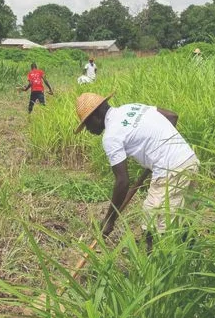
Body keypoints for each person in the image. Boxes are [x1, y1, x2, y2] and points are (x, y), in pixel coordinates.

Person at [74, 93, 200, 251]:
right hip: (189, 160)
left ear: (96, 115)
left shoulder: (111, 135)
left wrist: (109, 220)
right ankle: (194, 259)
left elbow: (122, 182)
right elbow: (172, 116)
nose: (88, 129)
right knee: (182, 220)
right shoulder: (131, 108)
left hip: (171, 170)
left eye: (87, 123)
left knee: (152, 226)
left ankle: (155, 270)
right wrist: (157, 148)